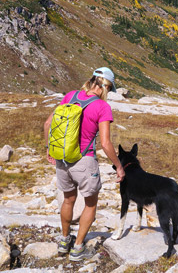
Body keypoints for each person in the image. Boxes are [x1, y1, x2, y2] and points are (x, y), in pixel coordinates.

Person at [43, 67, 125, 261]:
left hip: (62, 159)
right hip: (84, 160)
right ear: (106, 87)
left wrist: (49, 148)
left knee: (68, 199)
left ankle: (64, 241)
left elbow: (48, 124)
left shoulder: (71, 96)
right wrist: (119, 167)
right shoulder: (102, 107)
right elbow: (105, 143)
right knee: (90, 204)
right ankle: (78, 248)